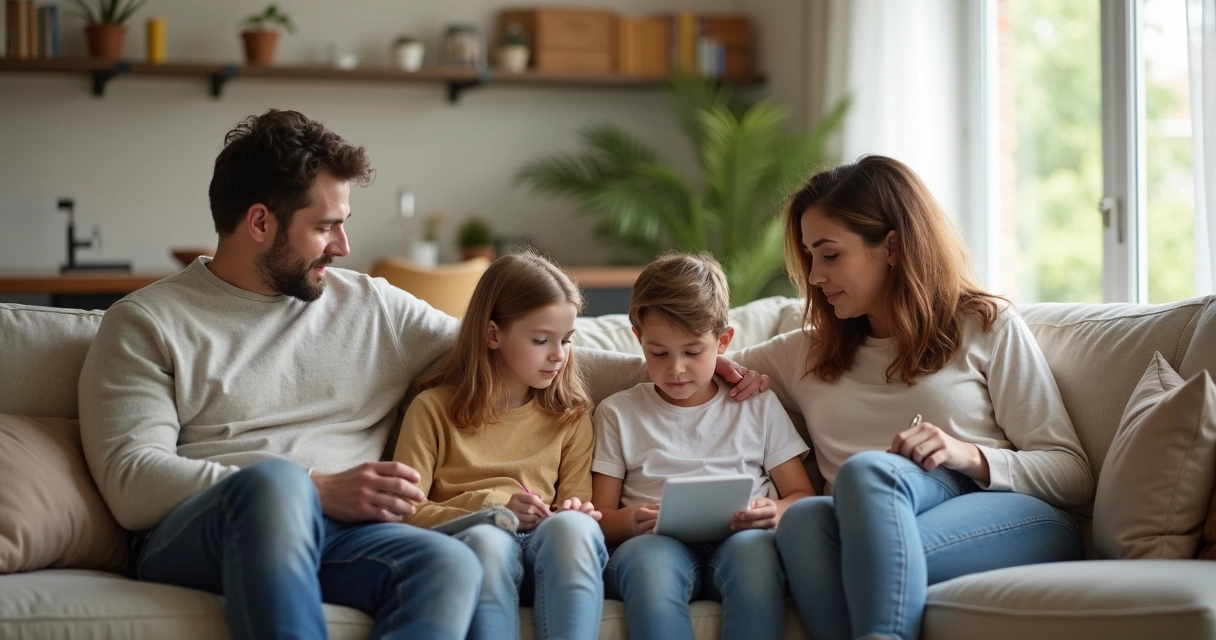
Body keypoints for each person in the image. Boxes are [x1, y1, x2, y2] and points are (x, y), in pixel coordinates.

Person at [729, 155, 1094, 640]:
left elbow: (1072, 473)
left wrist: (966, 454)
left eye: (830, 255)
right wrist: (709, 363)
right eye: (809, 256)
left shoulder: (985, 326)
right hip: (865, 525)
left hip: (1010, 514)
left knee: (865, 474)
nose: (814, 276)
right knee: (804, 522)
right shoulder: (807, 352)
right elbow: (682, 365)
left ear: (892, 246)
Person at [590, 253, 816, 640]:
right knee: (649, 569)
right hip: (653, 546)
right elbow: (599, 516)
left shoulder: (757, 404)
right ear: (638, 339)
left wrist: (774, 510)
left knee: (757, 560)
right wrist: (630, 521)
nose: (676, 368)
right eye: (659, 353)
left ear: (723, 341)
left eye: (693, 352)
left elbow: (802, 495)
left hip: (742, 543)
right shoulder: (617, 413)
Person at [392, 251, 607, 640]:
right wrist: (492, 508)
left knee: (574, 529)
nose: (558, 355)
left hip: (548, 555)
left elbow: (576, 504)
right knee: (487, 540)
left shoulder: (571, 418)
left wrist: (575, 512)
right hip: (476, 549)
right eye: (541, 340)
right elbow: (406, 513)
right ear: (493, 334)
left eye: (567, 340)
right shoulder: (432, 409)